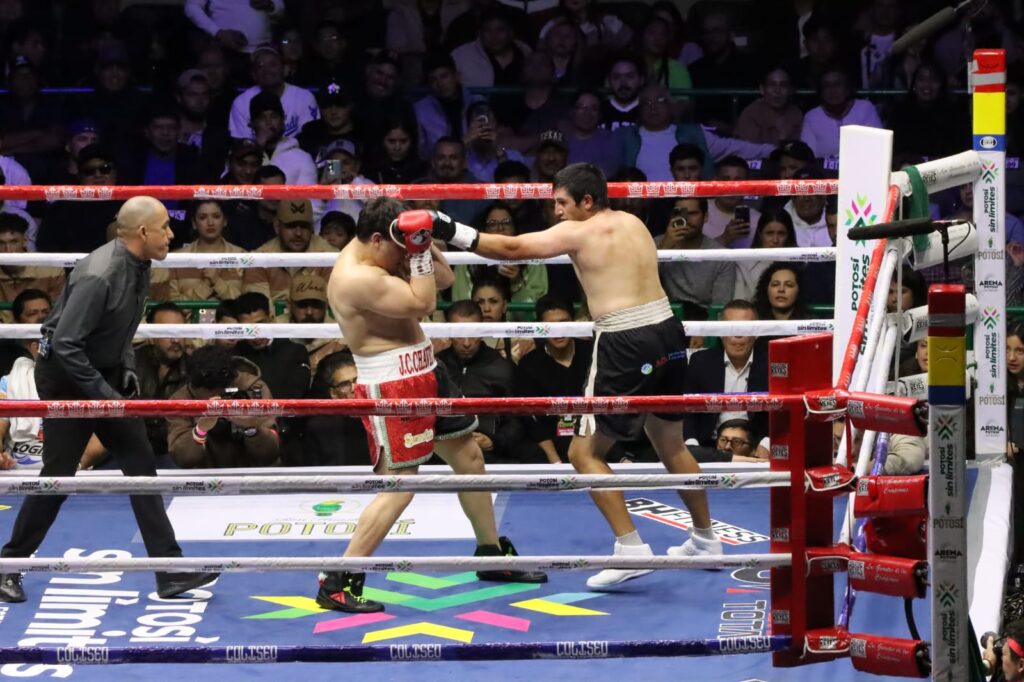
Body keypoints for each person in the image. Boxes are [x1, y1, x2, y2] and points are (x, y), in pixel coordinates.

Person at [427, 162, 722, 588]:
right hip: (668, 331)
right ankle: (706, 539)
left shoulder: (581, 231)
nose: (558, 212)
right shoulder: (634, 223)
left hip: (625, 338)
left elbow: (511, 249)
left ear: (587, 200)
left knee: (584, 453)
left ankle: (631, 549)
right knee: (670, 442)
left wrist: (447, 227)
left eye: (563, 203)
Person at [317, 196, 545, 613]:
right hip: (393, 384)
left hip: (427, 370)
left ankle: (491, 555)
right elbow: (424, 303)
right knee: (400, 487)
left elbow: (443, 279)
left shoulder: (387, 252)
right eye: (399, 247)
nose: (404, 254)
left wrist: (429, 234)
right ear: (375, 239)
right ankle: (338, 579)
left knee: (470, 458)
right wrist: (419, 250)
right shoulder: (355, 277)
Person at [0, 196, 217, 603]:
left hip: (103, 370)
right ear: (143, 232)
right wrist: (106, 396)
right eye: (165, 227)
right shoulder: (100, 274)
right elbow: (66, 344)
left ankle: (169, 570)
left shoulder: (140, 264)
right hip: (67, 379)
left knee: (140, 467)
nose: (172, 234)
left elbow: (124, 326)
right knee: (58, 476)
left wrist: (126, 368)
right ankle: (8, 565)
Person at [167, 344, 280, 469]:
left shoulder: (254, 389)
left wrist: (252, 428)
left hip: (253, 472)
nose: (218, 402)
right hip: (204, 474)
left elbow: (270, 455)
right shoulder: (182, 400)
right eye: (209, 395)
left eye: (222, 394)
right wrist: (200, 430)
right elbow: (183, 459)